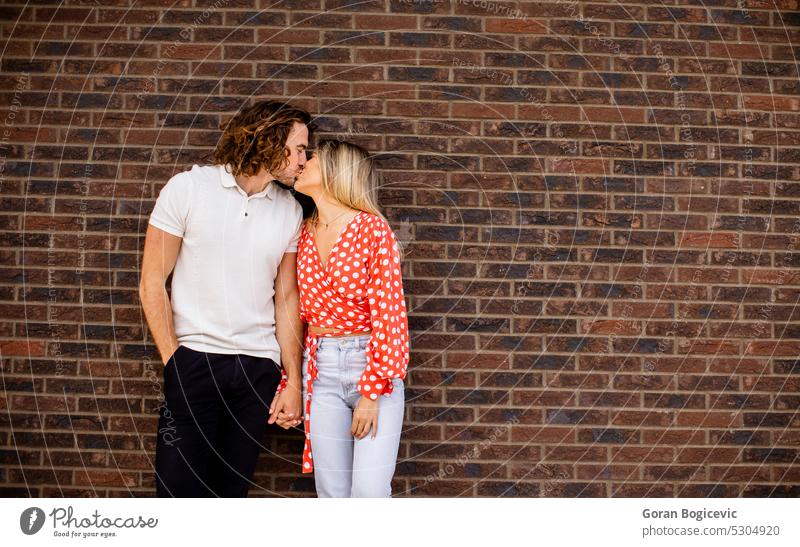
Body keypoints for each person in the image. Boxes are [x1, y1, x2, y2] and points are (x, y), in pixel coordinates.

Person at [139, 100, 310, 497]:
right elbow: (151, 281)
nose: (305, 159)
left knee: (229, 496)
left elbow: (286, 299)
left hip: (257, 370)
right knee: (177, 493)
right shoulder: (189, 188)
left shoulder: (290, 211)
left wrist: (292, 380)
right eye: (300, 148)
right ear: (269, 140)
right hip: (194, 361)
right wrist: (174, 360)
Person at [292, 139, 410, 497]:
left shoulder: (372, 230)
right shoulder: (304, 233)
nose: (303, 163)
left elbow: (389, 316)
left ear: (334, 172)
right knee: (333, 493)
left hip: (370, 366)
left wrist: (371, 394)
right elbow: (295, 311)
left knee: (369, 493)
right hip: (320, 368)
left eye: (311, 159)